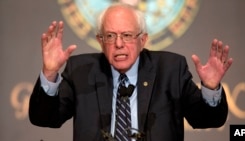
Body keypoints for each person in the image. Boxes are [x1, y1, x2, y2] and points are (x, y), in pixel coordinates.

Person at [29, 2, 233, 141]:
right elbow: (44, 118)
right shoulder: (81, 71)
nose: (118, 44)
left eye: (127, 35)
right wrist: (49, 73)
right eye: (110, 36)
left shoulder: (171, 69)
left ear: (142, 40)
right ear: (100, 41)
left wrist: (210, 87)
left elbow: (207, 119)